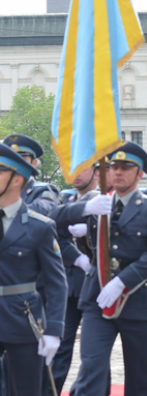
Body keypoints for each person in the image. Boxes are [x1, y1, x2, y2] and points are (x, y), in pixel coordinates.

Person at [70, 142, 147, 396]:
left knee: (140, 376)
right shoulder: (97, 202)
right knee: (91, 366)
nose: (117, 172)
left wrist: (122, 282)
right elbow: (54, 222)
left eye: (126, 168)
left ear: (140, 174)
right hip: (97, 294)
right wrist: (83, 210)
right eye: (114, 166)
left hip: (136, 297)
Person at [0, 143, 67, 396]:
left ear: (17, 179)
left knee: (25, 389)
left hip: (23, 317)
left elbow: (56, 282)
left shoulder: (40, 226)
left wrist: (54, 331)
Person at [45, 162, 111, 395]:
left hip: (98, 286)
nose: (75, 175)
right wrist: (78, 259)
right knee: (60, 349)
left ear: (97, 172)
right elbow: (55, 231)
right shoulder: (68, 202)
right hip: (71, 285)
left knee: (94, 353)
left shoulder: (107, 199)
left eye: (82, 169)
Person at [2, 134, 60, 215]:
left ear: (33, 163)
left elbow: (42, 210)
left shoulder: (43, 189)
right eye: (12, 159)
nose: (16, 164)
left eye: (22, 159)